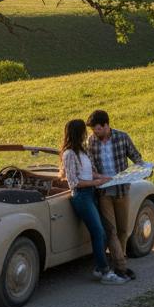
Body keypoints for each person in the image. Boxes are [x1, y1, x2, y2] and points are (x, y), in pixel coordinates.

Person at [58, 119, 128, 286]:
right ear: (77, 133)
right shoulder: (69, 154)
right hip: (81, 196)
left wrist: (105, 178)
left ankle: (99, 267)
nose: (86, 134)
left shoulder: (82, 151)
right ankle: (104, 272)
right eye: (83, 131)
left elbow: (90, 173)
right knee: (98, 232)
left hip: (90, 193)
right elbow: (73, 182)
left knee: (103, 231)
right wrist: (95, 183)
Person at [87, 109, 143, 280]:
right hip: (103, 191)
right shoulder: (91, 141)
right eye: (93, 130)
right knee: (110, 230)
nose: (95, 133)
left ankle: (120, 260)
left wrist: (143, 168)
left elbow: (136, 157)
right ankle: (121, 267)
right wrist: (99, 178)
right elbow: (91, 166)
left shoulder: (122, 137)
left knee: (123, 229)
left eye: (97, 129)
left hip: (122, 190)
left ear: (106, 125)